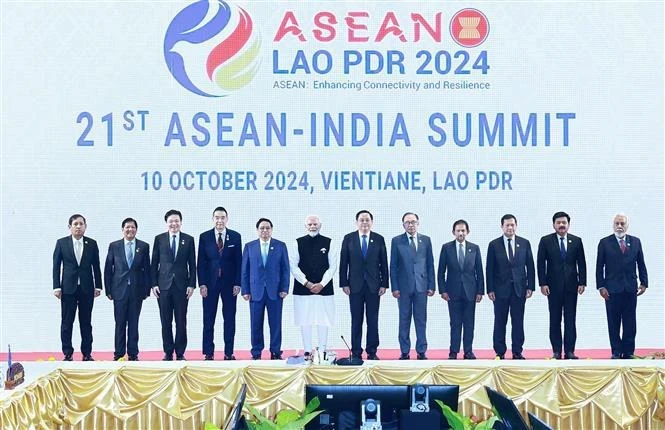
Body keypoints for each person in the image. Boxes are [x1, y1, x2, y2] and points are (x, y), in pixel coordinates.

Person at [596, 214, 648, 359]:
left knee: (630, 321)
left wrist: (644, 283)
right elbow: (599, 266)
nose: (620, 226)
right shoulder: (605, 243)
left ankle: (629, 351)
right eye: (617, 223)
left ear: (627, 225)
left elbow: (641, 264)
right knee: (613, 322)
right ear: (613, 225)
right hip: (611, 290)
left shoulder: (636, 242)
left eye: (622, 223)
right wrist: (601, 286)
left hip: (631, 288)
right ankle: (616, 351)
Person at [52, 214, 102, 361]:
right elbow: (56, 266)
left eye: (81, 224)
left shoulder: (92, 243)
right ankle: (68, 353)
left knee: (86, 322)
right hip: (68, 289)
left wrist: (98, 285)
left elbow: (96, 266)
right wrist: (56, 286)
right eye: (75, 224)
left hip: (87, 288)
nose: (78, 226)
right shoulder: (62, 243)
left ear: (85, 226)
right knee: (67, 322)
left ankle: (87, 353)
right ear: (70, 227)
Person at [537, 211, 587, 360]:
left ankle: (570, 351)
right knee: (555, 319)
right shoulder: (546, 241)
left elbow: (582, 263)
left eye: (564, 222)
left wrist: (582, 282)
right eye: (558, 223)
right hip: (552, 287)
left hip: (572, 286)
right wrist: (542, 283)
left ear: (568, 224)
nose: (561, 225)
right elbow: (540, 264)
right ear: (554, 225)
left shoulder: (576, 241)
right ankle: (557, 351)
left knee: (570, 319)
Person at [339, 210, 388, 360]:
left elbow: (384, 263)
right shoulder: (349, 238)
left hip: (374, 286)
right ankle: (356, 352)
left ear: (371, 222)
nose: (364, 223)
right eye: (362, 220)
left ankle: (372, 352)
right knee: (356, 320)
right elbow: (343, 263)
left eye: (367, 220)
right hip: (355, 286)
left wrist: (384, 283)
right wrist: (344, 283)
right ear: (357, 222)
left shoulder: (379, 239)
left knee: (373, 320)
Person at [486, 214, 535, 359]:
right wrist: (490, 289)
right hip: (500, 290)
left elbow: (530, 266)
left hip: (519, 290)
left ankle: (517, 351)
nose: (510, 227)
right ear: (502, 227)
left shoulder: (524, 243)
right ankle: (500, 352)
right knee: (500, 322)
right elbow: (489, 268)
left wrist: (530, 286)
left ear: (516, 226)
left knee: (518, 322)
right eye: (507, 225)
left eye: (512, 225)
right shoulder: (494, 244)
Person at [289, 215, 337, 359]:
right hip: (303, 289)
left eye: (315, 224)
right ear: (305, 226)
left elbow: (333, 266)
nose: (312, 226)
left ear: (320, 225)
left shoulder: (329, 242)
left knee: (324, 319)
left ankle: (322, 350)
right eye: (310, 224)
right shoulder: (297, 242)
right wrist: (306, 283)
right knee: (305, 319)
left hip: (324, 289)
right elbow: (293, 265)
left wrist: (322, 284)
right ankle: (307, 350)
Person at [241, 218, 290, 360]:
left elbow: (285, 269)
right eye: (262, 228)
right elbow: (245, 270)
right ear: (257, 230)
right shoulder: (250, 246)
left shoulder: (280, 246)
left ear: (272, 230)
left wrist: (285, 288)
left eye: (267, 228)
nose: (265, 231)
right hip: (255, 292)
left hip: (275, 292)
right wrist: (245, 290)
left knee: (275, 323)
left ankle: (275, 351)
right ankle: (256, 352)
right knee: (255, 323)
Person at [197, 207, 242, 361]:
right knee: (208, 318)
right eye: (217, 217)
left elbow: (239, 262)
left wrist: (238, 283)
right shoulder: (205, 237)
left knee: (229, 318)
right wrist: (202, 284)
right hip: (210, 284)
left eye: (222, 217)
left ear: (227, 219)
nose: (220, 221)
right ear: (213, 219)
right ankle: (208, 352)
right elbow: (201, 263)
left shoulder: (235, 237)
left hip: (230, 285)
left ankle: (228, 352)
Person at [151, 209, 196, 361]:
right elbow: (154, 263)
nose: (174, 224)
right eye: (171, 221)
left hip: (182, 287)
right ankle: (168, 351)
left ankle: (181, 352)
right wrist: (154, 284)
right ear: (167, 223)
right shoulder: (159, 239)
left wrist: (192, 285)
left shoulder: (189, 239)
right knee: (165, 321)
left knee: (181, 320)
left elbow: (192, 264)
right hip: (163, 286)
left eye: (176, 221)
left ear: (181, 222)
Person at [104, 217, 151, 361]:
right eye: (127, 227)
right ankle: (118, 353)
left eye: (133, 227)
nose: (130, 229)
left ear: (136, 229)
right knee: (120, 323)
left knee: (134, 323)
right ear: (122, 229)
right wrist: (108, 290)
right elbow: (108, 269)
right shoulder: (114, 246)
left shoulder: (143, 246)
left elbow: (147, 270)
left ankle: (133, 353)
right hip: (119, 291)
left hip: (137, 291)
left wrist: (146, 290)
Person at [390, 212, 435, 360]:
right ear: (403, 225)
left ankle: (421, 350)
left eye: (413, 222)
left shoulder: (426, 240)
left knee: (421, 319)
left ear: (418, 223)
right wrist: (394, 287)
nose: (411, 225)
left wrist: (431, 285)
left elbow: (430, 264)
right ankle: (404, 351)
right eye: (408, 222)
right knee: (404, 319)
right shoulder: (397, 241)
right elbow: (393, 266)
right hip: (403, 288)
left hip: (422, 286)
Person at [438, 219, 484, 360]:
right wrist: (442, 290)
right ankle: (453, 351)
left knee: (469, 323)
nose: (460, 233)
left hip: (470, 291)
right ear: (453, 232)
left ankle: (468, 351)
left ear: (467, 232)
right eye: (458, 230)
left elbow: (479, 271)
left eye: (463, 230)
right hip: (453, 291)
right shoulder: (446, 248)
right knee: (455, 322)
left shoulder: (474, 248)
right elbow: (441, 271)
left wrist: (480, 291)